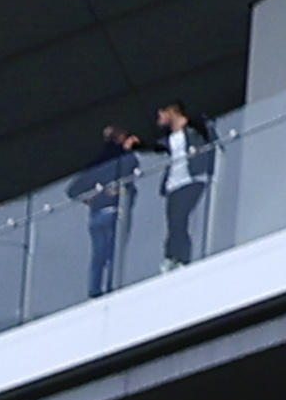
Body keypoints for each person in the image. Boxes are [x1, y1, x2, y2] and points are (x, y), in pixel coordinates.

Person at [75, 122, 141, 293]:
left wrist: (93, 197)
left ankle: (95, 289)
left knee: (98, 255)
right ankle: (112, 288)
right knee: (114, 254)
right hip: (115, 212)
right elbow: (132, 165)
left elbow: (73, 189)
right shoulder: (123, 159)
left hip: (97, 215)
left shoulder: (96, 164)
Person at [156, 102, 217, 269]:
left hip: (192, 179)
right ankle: (172, 257)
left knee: (179, 219)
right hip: (174, 185)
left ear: (171, 112)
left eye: (161, 114)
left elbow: (212, 145)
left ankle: (180, 258)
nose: (159, 119)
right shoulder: (170, 137)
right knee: (174, 222)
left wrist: (208, 170)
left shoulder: (195, 128)